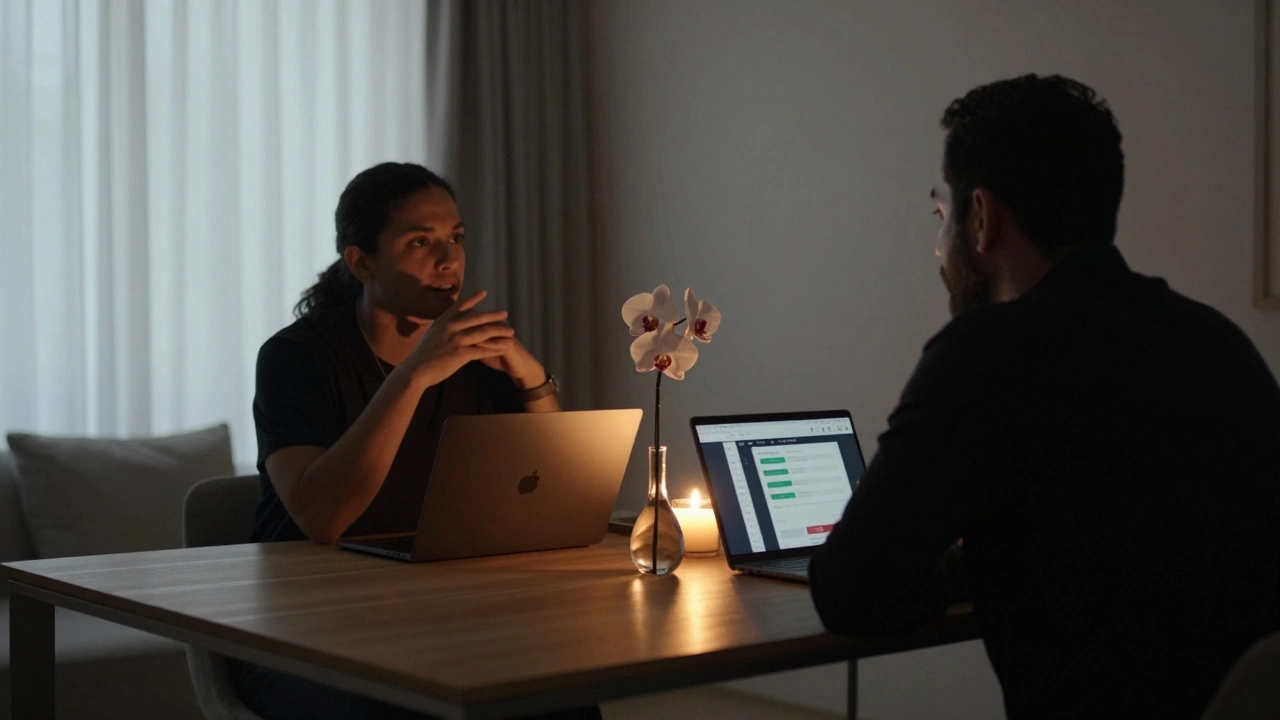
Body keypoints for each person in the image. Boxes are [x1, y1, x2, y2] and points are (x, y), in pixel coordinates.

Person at [808, 75, 1280, 720]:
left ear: (982, 217)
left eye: (941, 216)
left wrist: (948, 571)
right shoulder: (1216, 340)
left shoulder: (989, 353)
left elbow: (850, 587)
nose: (938, 247)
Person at [238, 162, 596, 720]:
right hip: (302, 627)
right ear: (361, 262)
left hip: (432, 616)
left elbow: (557, 501)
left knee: (559, 701)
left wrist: (531, 379)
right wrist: (414, 375)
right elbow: (322, 517)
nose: (448, 259)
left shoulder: (476, 359)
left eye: (455, 237)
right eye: (420, 242)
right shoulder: (296, 357)